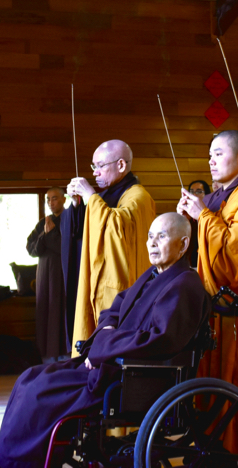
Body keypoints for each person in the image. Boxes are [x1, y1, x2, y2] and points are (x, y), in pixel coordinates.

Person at [0, 213, 210, 468]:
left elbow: (159, 340)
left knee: (38, 394)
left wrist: (103, 350)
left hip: (128, 375)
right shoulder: (153, 275)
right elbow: (115, 308)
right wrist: (106, 331)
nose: (152, 243)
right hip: (110, 361)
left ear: (183, 244)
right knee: (29, 379)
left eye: (162, 236)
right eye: (150, 236)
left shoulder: (185, 285)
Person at [176, 129, 238, 454]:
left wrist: (203, 217)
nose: (211, 160)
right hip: (211, 306)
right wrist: (190, 221)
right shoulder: (215, 198)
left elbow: (237, 253)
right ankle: (211, 441)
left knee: (234, 381)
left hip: (236, 304)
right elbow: (203, 251)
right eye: (210, 154)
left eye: (219, 153)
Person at [66, 140, 157, 354]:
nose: (95, 173)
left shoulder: (138, 196)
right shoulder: (106, 196)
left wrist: (91, 198)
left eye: (100, 166)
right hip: (96, 278)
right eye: (93, 167)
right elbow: (83, 234)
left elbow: (116, 229)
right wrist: (78, 204)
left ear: (122, 165)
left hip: (123, 284)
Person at [26, 187, 70, 361]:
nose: (51, 203)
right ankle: (46, 355)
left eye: (55, 199)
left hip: (62, 273)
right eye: (48, 200)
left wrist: (49, 235)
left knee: (60, 309)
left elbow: (66, 248)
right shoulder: (43, 222)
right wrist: (45, 234)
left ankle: (64, 354)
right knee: (45, 309)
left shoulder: (70, 219)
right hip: (44, 274)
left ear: (64, 199)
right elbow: (31, 249)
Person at [184, 179, 212, 265]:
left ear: (207, 194)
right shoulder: (186, 213)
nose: (194, 195)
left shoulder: (211, 212)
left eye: (199, 192)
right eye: (191, 192)